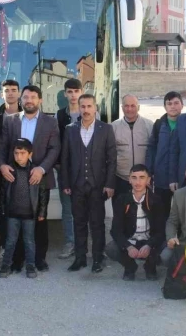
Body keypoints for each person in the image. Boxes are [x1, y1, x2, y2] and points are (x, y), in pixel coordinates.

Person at [0, 85, 60, 272]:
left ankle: (39, 259)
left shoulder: (50, 122)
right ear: (20, 99)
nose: (29, 100)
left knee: (39, 220)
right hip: (14, 180)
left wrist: (41, 168)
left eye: (33, 97)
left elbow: (55, 148)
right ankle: (17, 260)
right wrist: (2, 165)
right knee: (14, 220)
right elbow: (2, 146)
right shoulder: (10, 121)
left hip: (38, 179)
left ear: (40, 100)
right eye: (25, 97)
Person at [60, 93, 117, 273]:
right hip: (76, 185)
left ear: (95, 108)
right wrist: (66, 183)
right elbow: (65, 159)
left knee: (97, 223)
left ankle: (97, 258)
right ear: (79, 108)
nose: (85, 110)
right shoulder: (70, 129)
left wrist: (109, 184)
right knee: (79, 222)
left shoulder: (106, 129)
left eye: (89, 106)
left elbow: (112, 159)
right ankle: (80, 258)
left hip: (97, 185)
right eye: (82, 106)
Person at [106, 164, 164, 281]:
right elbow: (115, 230)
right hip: (131, 241)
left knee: (166, 248)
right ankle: (130, 266)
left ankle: (150, 266)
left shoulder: (156, 200)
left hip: (148, 240)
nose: (138, 182)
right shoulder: (122, 200)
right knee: (111, 248)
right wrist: (128, 247)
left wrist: (149, 245)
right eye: (134, 177)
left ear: (148, 180)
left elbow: (161, 230)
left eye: (142, 177)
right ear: (129, 179)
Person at [0, 138, 47, 278]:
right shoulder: (9, 171)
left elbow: (42, 193)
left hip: (29, 214)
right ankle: (5, 265)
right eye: (16, 153)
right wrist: (2, 210)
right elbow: (2, 193)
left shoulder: (35, 172)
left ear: (30, 154)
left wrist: (42, 212)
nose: (19, 156)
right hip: (12, 213)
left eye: (23, 153)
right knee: (10, 241)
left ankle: (30, 267)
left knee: (29, 241)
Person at [55, 78, 82, 259]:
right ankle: (70, 243)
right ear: (65, 94)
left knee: (85, 207)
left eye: (76, 91)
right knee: (67, 208)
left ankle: (83, 243)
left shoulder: (90, 113)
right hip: (65, 168)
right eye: (70, 92)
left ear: (82, 92)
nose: (73, 95)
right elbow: (56, 142)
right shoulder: (59, 115)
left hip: (85, 168)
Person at [145, 91, 183, 220]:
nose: (173, 106)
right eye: (169, 103)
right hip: (161, 177)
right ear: (165, 107)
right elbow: (151, 149)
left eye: (176, 103)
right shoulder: (159, 124)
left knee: (181, 213)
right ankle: (161, 239)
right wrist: (149, 172)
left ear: (182, 105)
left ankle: (179, 239)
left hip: (181, 177)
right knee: (161, 212)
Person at [112, 94, 154, 196]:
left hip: (144, 180)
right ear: (122, 108)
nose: (129, 109)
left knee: (144, 211)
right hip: (121, 179)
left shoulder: (149, 126)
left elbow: (153, 153)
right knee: (120, 211)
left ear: (138, 107)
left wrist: (150, 175)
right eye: (126, 106)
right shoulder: (113, 127)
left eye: (133, 106)